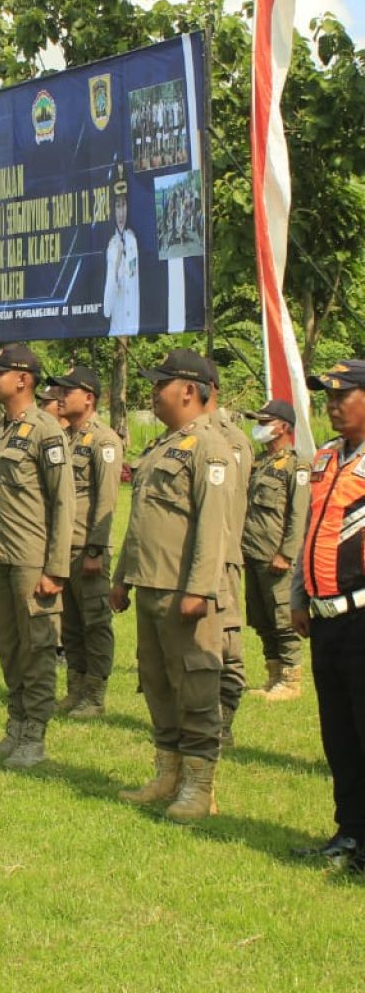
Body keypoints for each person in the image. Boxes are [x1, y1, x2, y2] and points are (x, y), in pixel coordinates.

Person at [110, 349, 231, 821]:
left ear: (187, 390)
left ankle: (199, 787)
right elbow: (141, 521)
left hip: (184, 590)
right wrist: (123, 578)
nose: (153, 391)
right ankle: (168, 773)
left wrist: (199, 589)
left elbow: (213, 526)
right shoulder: (162, 446)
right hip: (150, 584)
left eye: (161, 383)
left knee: (194, 686)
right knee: (157, 682)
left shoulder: (210, 448)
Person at [0, 344, 75, 769]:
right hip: (4, 554)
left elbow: (64, 502)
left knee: (37, 648)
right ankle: (15, 727)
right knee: (12, 648)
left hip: (33, 559)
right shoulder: (5, 429)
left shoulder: (45, 430)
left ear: (22, 379)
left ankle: (34, 737)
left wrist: (56, 569)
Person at [290, 360, 365, 870]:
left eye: (343, 396)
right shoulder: (325, 457)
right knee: (339, 735)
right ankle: (350, 832)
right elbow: (311, 528)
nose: (333, 405)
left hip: (362, 616)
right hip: (325, 618)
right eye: (328, 397)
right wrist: (299, 595)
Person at [48, 365, 123, 718]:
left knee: (95, 622)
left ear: (89, 398)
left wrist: (96, 549)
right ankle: (75, 688)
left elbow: (106, 501)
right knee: (70, 623)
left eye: (67, 391)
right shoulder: (66, 438)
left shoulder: (103, 441)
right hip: (63, 546)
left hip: (86, 548)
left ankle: (95, 695)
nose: (59, 397)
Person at [242, 399, 310, 702]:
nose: (259, 427)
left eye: (265, 422)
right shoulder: (260, 462)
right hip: (253, 553)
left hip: (276, 557)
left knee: (282, 618)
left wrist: (287, 553)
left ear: (283, 427)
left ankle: (291, 679)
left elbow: (299, 514)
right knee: (261, 618)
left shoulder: (297, 465)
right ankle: (273, 675)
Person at [206, 360, 254, 747]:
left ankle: (224, 718)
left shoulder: (231, 440)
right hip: (191, 558)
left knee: (225, 641)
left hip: (222, 558)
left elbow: (232, 505)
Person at [103, 164, 140, 337]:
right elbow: (106, 310)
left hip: (135, 328)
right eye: (117, 205)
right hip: (117, 330)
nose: (121, 212)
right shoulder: (111, 247)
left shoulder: (133, 240)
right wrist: (116, 264)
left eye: (123, 204)